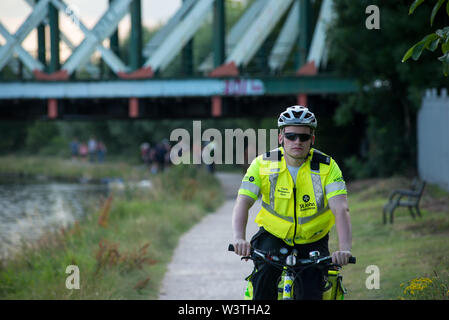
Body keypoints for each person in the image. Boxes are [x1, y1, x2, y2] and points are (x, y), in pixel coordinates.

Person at [231, 105, 352, 300]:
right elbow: (243, 202)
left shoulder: (328, 167)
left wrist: (345, 248)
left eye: (304, 137)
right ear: (281, 137)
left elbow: (341, 209)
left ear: (312, 139)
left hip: (313, 239)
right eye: (291, 136)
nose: (297, 141)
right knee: (263, 282)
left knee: (312, 293)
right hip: (273, 236)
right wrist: (239, 237)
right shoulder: (263, 164)